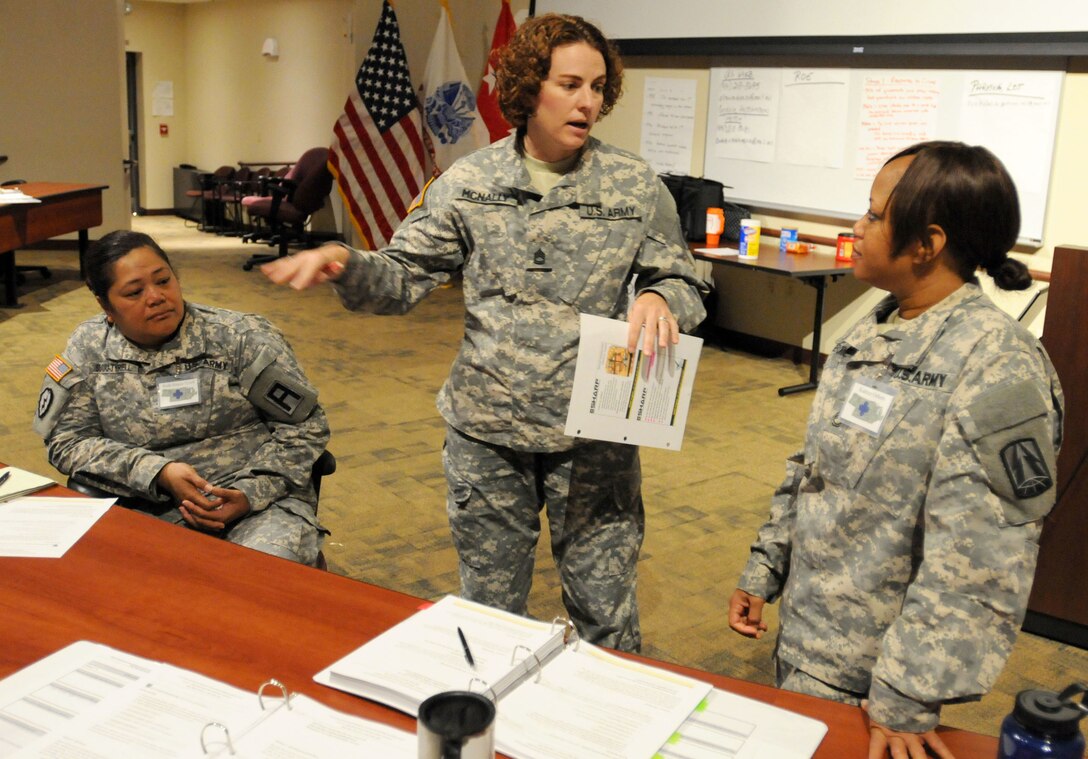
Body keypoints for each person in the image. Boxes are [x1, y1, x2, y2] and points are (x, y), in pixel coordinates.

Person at [262, 13, 707, 651]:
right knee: (490, 613)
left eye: (599, 87)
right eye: (571, 84)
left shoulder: (636, 185)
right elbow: (401, 278)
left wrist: (663, 297)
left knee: (605, 614)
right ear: (529, 88)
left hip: (595, 435)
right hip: (489, 432)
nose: (588, 102)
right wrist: (344, 262)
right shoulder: (469, 184)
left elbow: (687, 282)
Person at [729, 141, 1064, 759]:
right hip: (810, 641)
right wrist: (766, 566)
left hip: (879, 683)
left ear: (926, 244)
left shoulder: (996, 366)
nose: (857, 227)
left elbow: (980, 558)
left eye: (875, 215)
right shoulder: (879, 326)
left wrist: (909, 693)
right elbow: (816, 468)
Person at [34, 230, 330, 566]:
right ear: (106, 306)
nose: (156, 296)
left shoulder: (239, 338)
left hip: (256, 507)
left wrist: (251, 492)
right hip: (143, 505)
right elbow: (68, 441)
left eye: (163, 281)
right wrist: (156, 472)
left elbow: (306, 427)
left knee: (257, 582)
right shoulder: (89, 349)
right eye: (134, 291)